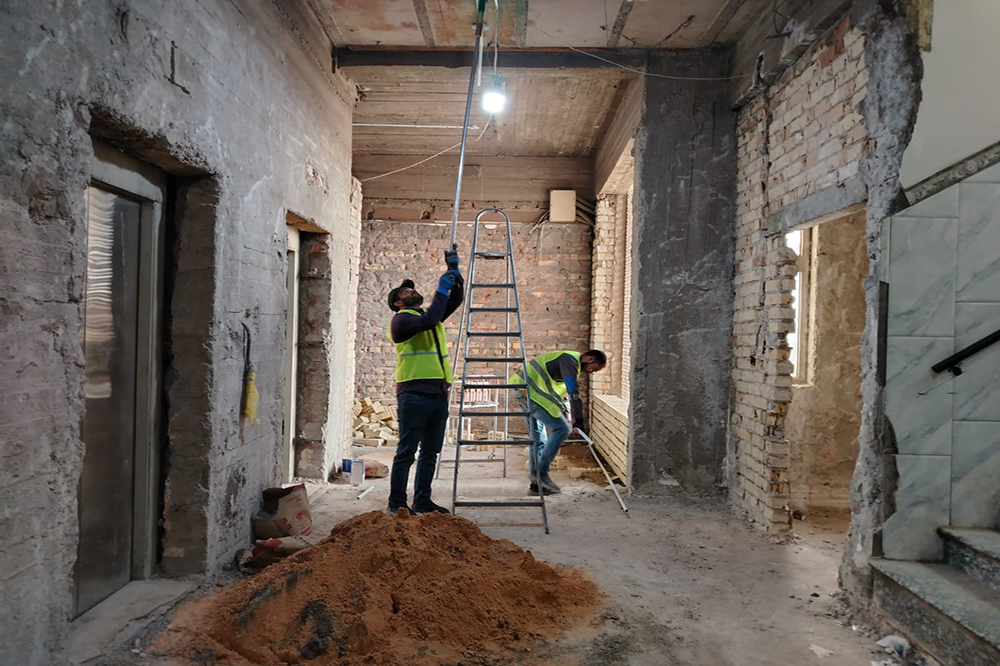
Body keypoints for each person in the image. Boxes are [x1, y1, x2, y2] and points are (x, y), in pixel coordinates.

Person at [385, 255, 464, 516]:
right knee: (407, 452)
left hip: (438, 394)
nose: (413, 291)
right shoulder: (402, 321)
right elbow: (430, 320)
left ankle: (422, 501)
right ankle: (397, 503)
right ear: (398, 303)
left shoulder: (428, 318)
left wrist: (455, 275)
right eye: (406, 291)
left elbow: (454, 301)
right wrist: (441, 286)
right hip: (414, 394)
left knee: (431, 451)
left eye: (413, 288)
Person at [512, 349, 607, 495]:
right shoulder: (569, 360)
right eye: (593, 369)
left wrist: (570, 422)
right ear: (590, 359)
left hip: (531, 393)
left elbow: (563, 397)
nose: (590, 372)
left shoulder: (569, 367)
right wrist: (579, 421)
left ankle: (537, 481)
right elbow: (573, 392)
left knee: (543, 437)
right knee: (543, 438)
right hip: (526, 390)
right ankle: (539, 480)